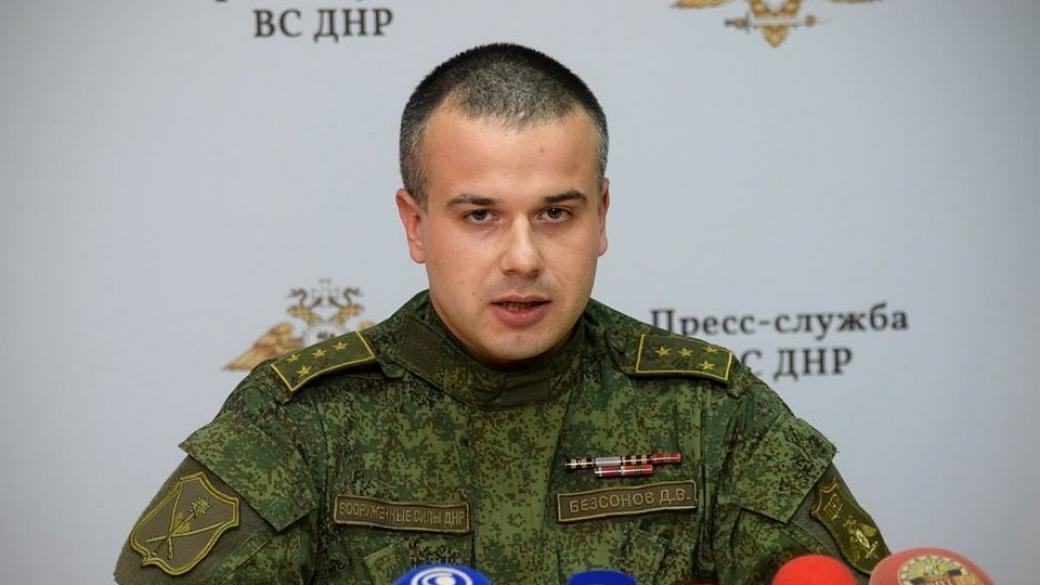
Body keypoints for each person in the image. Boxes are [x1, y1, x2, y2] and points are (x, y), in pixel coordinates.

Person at [114, 43, 888, 585]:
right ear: (416, 225)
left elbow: (833, 574)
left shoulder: (707, 409)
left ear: (602, 216)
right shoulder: (303, 419)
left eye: (556, 213)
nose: (523, 257)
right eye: (480, 215)